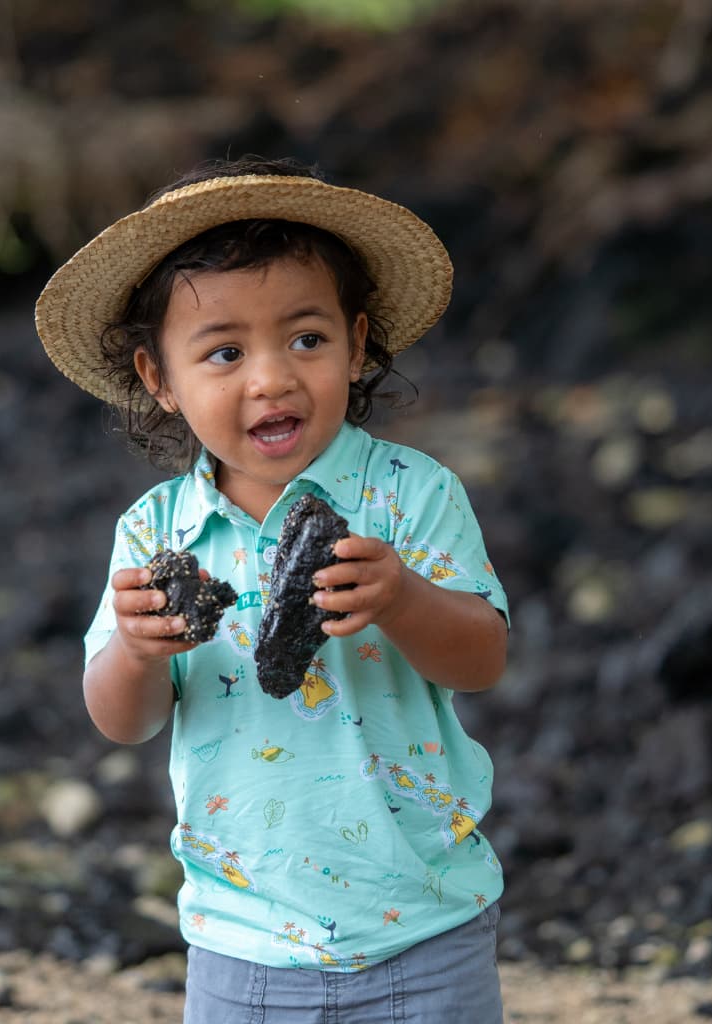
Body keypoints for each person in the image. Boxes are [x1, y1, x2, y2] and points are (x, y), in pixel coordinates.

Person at [35, 156, 510, 1023]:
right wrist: (137, 652)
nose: (271, 378)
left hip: (428, 923)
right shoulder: (153, 534)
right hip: (242, 937)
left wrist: (401, 598)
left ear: (357, 343)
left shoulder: (411, 495)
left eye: (306, 339)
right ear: (159, 380)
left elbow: (481, 660)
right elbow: (120, 719)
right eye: (223, 352)